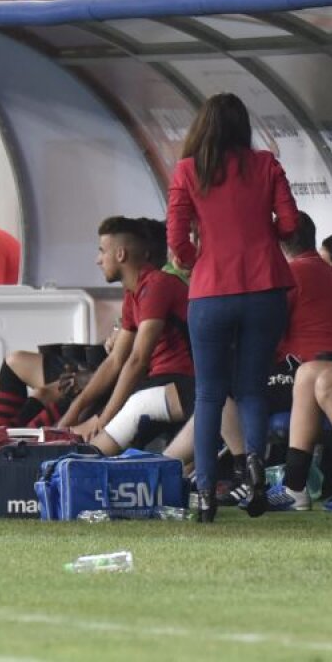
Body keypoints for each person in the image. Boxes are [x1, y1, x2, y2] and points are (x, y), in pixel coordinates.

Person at [166, 93, 299, 522]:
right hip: (265, 287)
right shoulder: (266, 166)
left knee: (208, 393)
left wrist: (194, 259)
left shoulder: (188, 171)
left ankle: (205, 490)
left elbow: (176, 239)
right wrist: (264, 232)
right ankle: (255, 468)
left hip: (210, 291)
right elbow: (292, 225)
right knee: (252, 389)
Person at [262, 212, 332, 513]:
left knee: (229, 391)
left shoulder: (290, 275)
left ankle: (240, 476)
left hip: (304, 371)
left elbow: (268, 333)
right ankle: (283, 482)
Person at [70, 218, 194, 454]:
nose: (98, 260)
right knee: (91, 406)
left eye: (101, 251)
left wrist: (103, 420)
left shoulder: (157, 284)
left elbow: (137, 360)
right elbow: (115, 360)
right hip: (160, 382)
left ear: (120, 254)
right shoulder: (133, 293)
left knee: (133, 406)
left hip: (185, 383)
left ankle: (80, 466)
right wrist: (73, 414)